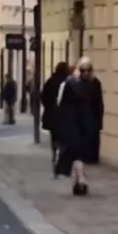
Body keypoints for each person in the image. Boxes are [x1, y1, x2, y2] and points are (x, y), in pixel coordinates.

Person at [55, 58, 97, 196]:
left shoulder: (91, 85)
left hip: (81, 125)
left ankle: (78, 180)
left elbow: (98, 106)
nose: (85, 73)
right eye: (83, 70)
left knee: (77, 155)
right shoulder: (74, 85)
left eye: (88, 70)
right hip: (76, 125)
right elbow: (62, 106)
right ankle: (80, 180)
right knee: (78, 154)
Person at [41, 62, 70, 169]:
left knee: (54, 135)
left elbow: (43, 95)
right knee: (63, 135)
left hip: (51, 114)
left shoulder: (50, 81)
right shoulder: (67, 81)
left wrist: (48, 106)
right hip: (63, 114)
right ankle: (61, 153)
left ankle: (54, 152)